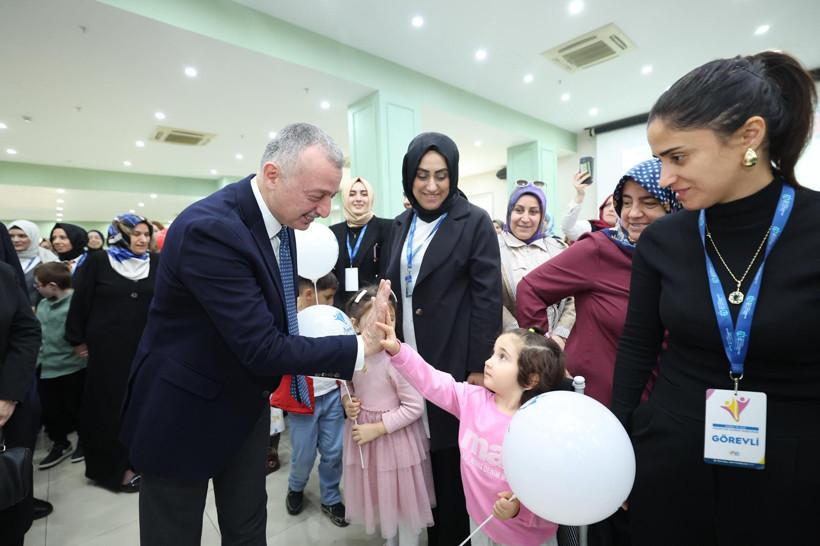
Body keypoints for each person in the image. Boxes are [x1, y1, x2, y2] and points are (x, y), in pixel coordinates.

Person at [118, 122, 391, 545]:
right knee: (173, 533)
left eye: (330, 197)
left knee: (247, 528)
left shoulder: (282, 225)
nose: (324, 211)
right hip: (183, 409)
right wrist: (360, 345)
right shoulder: (210, 229)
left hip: (244, 405)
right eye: (316, 195)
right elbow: (261, 346)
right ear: (272, 174)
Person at [610, 51, 819, 545]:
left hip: (794, 459)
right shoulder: (664, 240)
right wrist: (618, 446)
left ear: (749, 136)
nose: (663, 179)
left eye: (677, 157)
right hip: (672, 453)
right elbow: (638, 347)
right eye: (660, 159)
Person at [386, 132, 502, 545]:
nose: (431, 185)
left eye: (441, 175)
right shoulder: (401, 223)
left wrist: (477, 367)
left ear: (453, 176)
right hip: (403, 361)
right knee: (414, 458)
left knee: (448, 462)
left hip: (452, 361)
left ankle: (449, 538)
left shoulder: (474, 222)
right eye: (421, 175)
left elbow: (488, 299)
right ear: (409, 178)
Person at [380, 322, 563, 546]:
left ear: (529, 379)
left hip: (525, 538)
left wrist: (518, 509)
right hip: (480, 523)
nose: (488, 361)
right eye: (493, 353)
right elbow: (433, 381)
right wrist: (399, 351)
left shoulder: (538, 428)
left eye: (502, 357)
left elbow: (549, 487)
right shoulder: (472, 400)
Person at [517, 159, 681, 408]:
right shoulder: (601, 249)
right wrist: (549, 355)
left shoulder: (685, 260)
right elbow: (529, 289)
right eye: (626, 202)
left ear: (673, 205)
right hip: (597, 402)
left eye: (649, 202)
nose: (633, 213)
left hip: (662, 406)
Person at [65, 214, 158, 493]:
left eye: (146, 234)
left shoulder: (157, 263)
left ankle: (140, 461)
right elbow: (80, 300)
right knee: (109, 408)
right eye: (136, 233)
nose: (142, 239)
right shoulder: (97, 261)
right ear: (119, 234)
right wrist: (77, 340)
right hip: (107, 350)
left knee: (143, 406)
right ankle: (112, 468)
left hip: (147, 349)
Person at [341, 286, 434, 545]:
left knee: (404, 503)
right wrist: (348, 402)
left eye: (389, 318)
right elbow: (346, 385)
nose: (384, 325)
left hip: (394, 442)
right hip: (368, 443)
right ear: (356, 325)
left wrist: (378, 428)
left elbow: (414, 406)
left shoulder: (397, 359)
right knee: (384, 499)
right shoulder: (352, 355)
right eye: (375, 319)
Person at [270, 272, 350, 526]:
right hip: (303, 400)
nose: (331, 305)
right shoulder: (287, 318)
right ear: (308, 294)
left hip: (332, 396)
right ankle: (296, 486)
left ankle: (330, 496)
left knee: (334, 450)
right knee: (303, 453)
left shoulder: (330, 320)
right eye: (327, 298)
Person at [499, 181, 575, 347]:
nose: (525, 219)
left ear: (542, 216)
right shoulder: (493, 248)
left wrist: (560, 336)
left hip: (558, 346)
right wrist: (518, 335)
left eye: (533, 212)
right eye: (519, 210)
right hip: (511, 344)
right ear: (509, 212)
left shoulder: (558, 249)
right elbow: (491, 298)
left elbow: (572, 296)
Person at [0, 256, 41, 545]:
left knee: (8, 510)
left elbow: (26, 331)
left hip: (4, 406)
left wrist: (9, 394)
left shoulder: (4, 274)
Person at [34, 262, 87, 469]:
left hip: (73, 367)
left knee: (78, 409)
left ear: (53, 285)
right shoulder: (43, 305)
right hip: (46, 367)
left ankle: (84, 442)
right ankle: (60, 443)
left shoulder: (77, 303)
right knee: (51, 411)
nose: (36, 288)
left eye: (39, 285)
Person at [329, 176, 393, 309]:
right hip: (339, 306)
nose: (358, 198)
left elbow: (385, 271)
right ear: (345, 198)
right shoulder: (334, 232)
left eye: (364, 194)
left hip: (373, 304)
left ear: (371, 198)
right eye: (352, 194)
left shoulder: (386, 227)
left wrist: (367, 304)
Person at [8, 220, 59, 307]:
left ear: (33, 237)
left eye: (22, 236)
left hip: (38, 313)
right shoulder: (4, 258)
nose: (15, 240)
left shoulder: (48, 260)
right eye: (11, 236)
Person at [560, 171, 617, 242]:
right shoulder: (591, 228)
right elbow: (567, 227)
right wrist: (580, 195)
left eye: (615, 206)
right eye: (607, 205)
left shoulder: (629, 235)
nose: (611, 209)